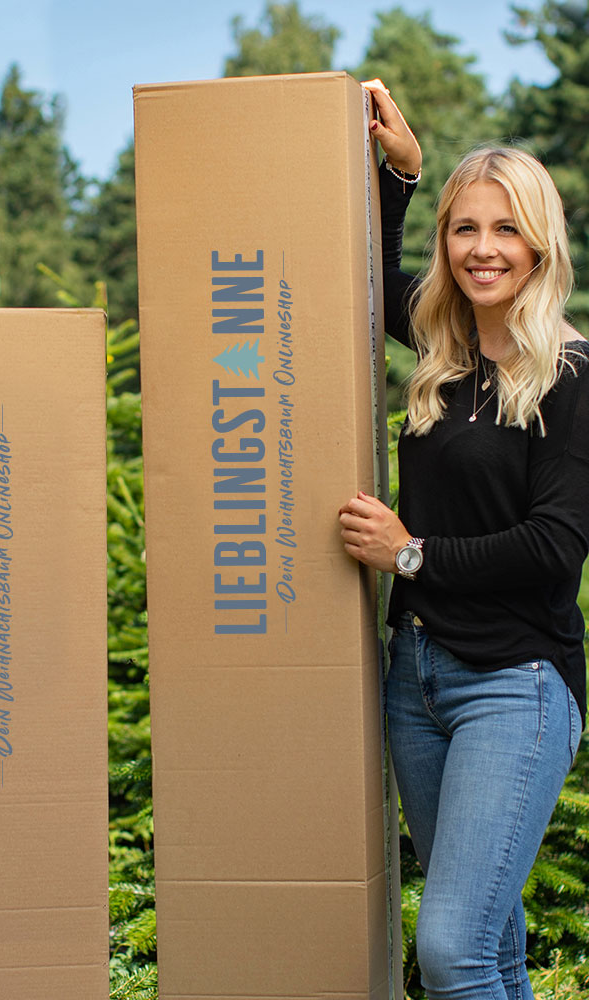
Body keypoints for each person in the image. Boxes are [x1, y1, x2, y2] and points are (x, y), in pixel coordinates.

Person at [339, 82, 587, 1000]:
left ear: (539, 244)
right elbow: (366, 274)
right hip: (418, 679)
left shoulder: (570, 376)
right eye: (464, 229)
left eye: (505, 229)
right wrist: (401, 170)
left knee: (450, 954)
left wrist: (412, 554)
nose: (484, 249)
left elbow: (556, 546)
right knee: (493, 946)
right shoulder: (443, 350)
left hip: (514, 686)